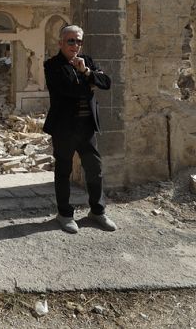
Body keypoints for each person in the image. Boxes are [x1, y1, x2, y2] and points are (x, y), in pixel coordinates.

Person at [43, 25, 116, 233]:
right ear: (61, 43)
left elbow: (107, 83)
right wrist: (90, 83)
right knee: (64, 170)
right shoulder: (52, 65)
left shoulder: (88, 62)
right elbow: (68, 90)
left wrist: (86, 71)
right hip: (64, 127)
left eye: (79, 41)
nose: (75, 45)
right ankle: (64, 214)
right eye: (70, 41)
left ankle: (97, 211)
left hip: (87, 127)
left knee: (95, 169)